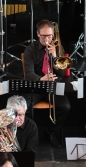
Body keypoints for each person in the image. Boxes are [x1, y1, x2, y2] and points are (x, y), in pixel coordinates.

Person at [23, 19, 71, 148]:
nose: (47, 39)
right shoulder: (30, 49)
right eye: (44, 36)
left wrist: (54, 56)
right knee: (25, 107)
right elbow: (28, 74)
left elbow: (61, 74)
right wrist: (42, 79)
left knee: (65, 106)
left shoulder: (58, 47)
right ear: (38, 34)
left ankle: (51, 132)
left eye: (50, 36)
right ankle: (30, 135)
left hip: (53, 86)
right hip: (37, 85)